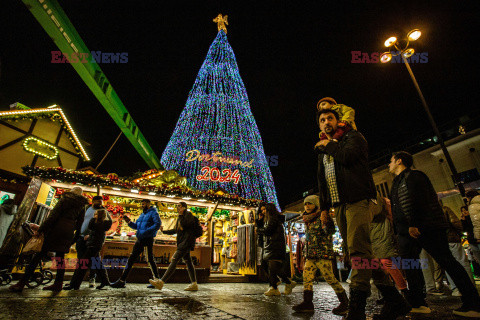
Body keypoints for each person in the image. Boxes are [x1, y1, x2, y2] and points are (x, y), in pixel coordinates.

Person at [315, 108, 410, 320]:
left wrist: (328, 145)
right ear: (319, 125)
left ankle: (356, 309)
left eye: (330, 118)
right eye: (322, 120)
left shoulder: (353, 137)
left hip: (357, 200)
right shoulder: (323, 149)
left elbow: (348, 157)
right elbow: (322, 181)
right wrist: (323, 208)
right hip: (338, 205)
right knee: (364, 254)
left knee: (358, 251)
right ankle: (395, 301)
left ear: (338, 121)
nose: (326, 122)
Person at [388, 151, 480, 317]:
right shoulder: (397, 181)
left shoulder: (415, 176)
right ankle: (417, 302)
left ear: (399, 161)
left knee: (446, 260)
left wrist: (414, 223)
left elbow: (419, 200)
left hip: (425, 228)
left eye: (391, 161)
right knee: (411, 267)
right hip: (406, 233)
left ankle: (472, 303)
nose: (389, 164)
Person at [9, 187, 88, 292]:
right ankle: (58, 283)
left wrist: (41, 230)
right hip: (68, 231)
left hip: (56, 228)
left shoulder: (65, 199)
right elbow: (80, 223)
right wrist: (74, 237)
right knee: (60, 258)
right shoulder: (82, 205)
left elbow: (53, 216)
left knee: (39, 255)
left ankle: (22, 282)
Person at [292, 195, 348, 314]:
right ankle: (307, 303)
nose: (307, 206)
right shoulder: (307, 219)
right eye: (305, 204)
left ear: (316, 205)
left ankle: (344, 302)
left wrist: (327, 220)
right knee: (306, 277)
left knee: (329, 278)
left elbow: (330, 231)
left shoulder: (322, 217)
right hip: (311, 254)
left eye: (310, 203)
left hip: (322, 253)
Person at [111, 199, 161, 288]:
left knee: (140, 259)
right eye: (141, 204)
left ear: (148, 204)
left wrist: (146, 232)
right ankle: (157, 280)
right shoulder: (142, 214)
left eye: (144, 204)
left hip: (147, 238)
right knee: (147, 259)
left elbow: (158, 224)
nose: (142, 205)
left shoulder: (153, 213)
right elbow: (136, 226)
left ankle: (122, 280)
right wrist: (129, 222)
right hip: (141, 238)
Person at [149, 202, 198, 291]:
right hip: (182, 242)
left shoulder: (188, 215)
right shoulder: (180, 217)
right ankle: (194, 284)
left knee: (174, 260)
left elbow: (186, 225)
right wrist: (164, 231)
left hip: (186, 242)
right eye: (177, 206)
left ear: (184, 207)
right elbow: (175, 230)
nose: (177, 208)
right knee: (189, 263)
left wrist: (181, 216)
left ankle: (161, 282)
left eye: (179, 206)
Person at [370, 195, 408, 298]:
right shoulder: (378, 201)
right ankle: (390, 294)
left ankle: (403, 289)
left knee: (386, 263)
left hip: (381, 233)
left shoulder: (377, 200)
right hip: (376, 234)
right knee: (382, 266)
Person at [64, 209, 112, 290]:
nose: (94, 215)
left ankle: (74, 284)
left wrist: (100, 215)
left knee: (82, 265)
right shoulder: (104, 224)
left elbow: (91, 227)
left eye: (95, 214)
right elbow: (107, 222)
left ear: (98, 215)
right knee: (97, 264)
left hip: (93, 246)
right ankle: (105, 281)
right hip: (95, 245)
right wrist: (106, 213)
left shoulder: (95, 222)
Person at [255, 203, 295, 296]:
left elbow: (267, 231)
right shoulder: (267, 219)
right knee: (267, 266)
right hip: (269, 246)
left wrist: (258, 229)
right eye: (262, 210)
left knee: (273, 268)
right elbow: (264, 233)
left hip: (274, 246)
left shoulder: (273, 218)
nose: (263, 212)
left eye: (264, 210)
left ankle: (277, 286)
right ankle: (283, 284)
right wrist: (260, 221)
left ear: (269, 210)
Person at [442, 205, 474, 296]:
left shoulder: (426, 212)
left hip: (441, 242)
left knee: (448, 265)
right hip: (452, 239)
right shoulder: (445, 209)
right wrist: (459, 233)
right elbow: (456, 223)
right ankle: (470, 285)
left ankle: (455, 288)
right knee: (462, 262)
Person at [77, 195, 104, 288]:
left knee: (93, 261)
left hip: (93, 239)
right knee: (81, 259)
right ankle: (77, 280)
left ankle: (92, 278)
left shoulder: (103, 212)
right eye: (98, 202)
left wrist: (91, 235)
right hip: (81, 237)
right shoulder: (86, 209)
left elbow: (103, 226)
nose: (100, 204)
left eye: (101, 202)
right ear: (93, 201)